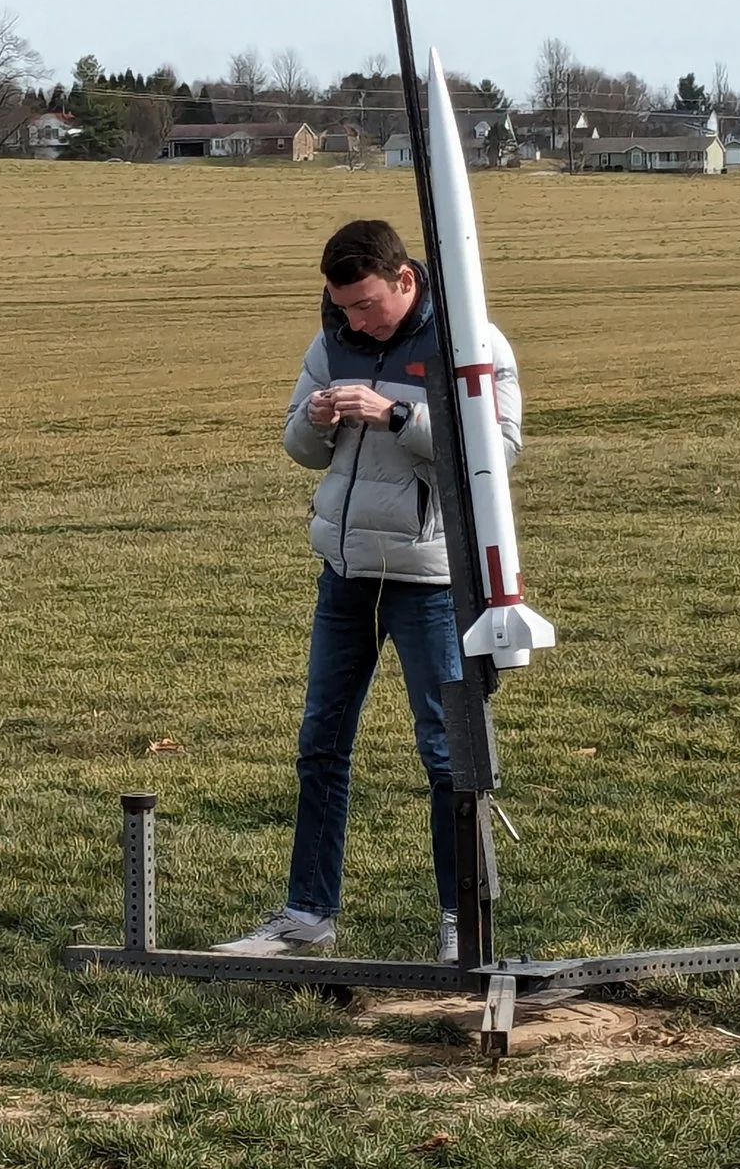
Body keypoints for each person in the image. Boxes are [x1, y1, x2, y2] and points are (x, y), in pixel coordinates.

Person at [217, 217, 524, 963]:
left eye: (365, 305)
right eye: (342, 306)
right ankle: (307, 913)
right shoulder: (331, 342)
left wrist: (395, 415)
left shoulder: (468, 340)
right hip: (345, 572)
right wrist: (316, 418)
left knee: (447, 750)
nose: (352, 319)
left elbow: (498, 446)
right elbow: (297, 442)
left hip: (429, 578)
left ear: (405, 280)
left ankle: (462, 920)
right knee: (321, 741)